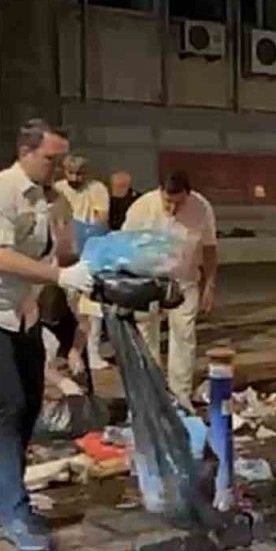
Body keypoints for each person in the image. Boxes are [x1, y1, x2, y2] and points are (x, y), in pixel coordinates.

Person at [0, 119, 95, 551]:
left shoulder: (54, 200)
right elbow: (0, 257)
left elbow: (65, 251)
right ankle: (14, 508)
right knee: (7, 403)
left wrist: (106, 258)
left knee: (30, 403)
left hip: (21, 313)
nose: (59, 168)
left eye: (61, 160)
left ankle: (1, 492)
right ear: (26, 152)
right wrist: (60, 276)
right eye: (51, 159)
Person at [122, 170, 219, 409]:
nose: (173, 209)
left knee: (184, 335)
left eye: (179, 203)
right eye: (168, 202)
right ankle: (152, 393)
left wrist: (210, 284)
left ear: (189, 194)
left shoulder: (201, 207)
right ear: (160, 191)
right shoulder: (141, 208)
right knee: (146, 336)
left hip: (184, 279)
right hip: (146, 278)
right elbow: (123, 247)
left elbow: (209, 248)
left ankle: (181, 395)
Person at [54, 155, 110, 369]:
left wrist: (87, 239)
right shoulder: (58, 189)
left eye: (79, 174)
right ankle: (66, 352)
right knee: (68, 305)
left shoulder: (97, 189)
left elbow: (101, 219)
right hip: (64, 252)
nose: (75, 178)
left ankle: (93, 352)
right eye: (71, 173)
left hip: (89, 249)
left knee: (92, 305)